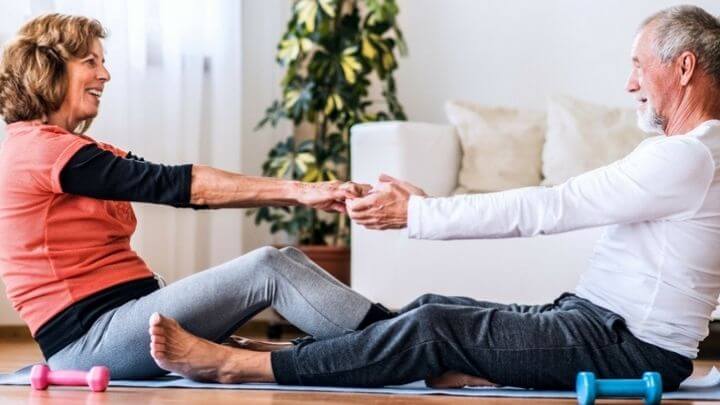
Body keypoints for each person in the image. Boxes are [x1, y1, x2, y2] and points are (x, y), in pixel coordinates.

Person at [144, 5, 720, 391]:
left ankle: (241, 365)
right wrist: (427, 204)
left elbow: (551, 207)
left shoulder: (688, 156)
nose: (630, 83)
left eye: (639, 66)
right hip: (593, 321)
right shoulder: (692, 152)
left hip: (626, 347)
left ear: (684, 67)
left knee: (433, 327)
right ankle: (417, 363)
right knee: (429, 306)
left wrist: (418, 213)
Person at [0, 13, 394, 379]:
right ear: (48, 67)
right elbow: (178, 185)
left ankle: (404, 333)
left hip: (123, 321)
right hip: (90, 341)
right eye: (90, 61)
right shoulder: (38, 152)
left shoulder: (69, 150)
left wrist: (305, 193)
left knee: (283, 264)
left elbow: (179, 180)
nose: (104, 74)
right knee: (269, 268)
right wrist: (302, 192)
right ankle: (408, 343)